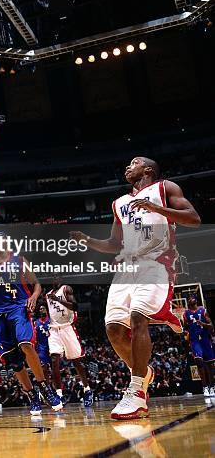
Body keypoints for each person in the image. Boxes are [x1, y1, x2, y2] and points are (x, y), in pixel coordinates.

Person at [71, 157, 201, 419]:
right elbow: (114, 243)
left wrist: (158, 209)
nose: (128, 166)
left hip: (156, 263)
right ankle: (144, 371)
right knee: (114, 329)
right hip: (126, 268)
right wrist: (87, 241)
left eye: (135, 162)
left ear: (148, 170)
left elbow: (194, 218)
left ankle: (137, 393)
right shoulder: (119, 203)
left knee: (138, 317)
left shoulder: (165, 188)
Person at [0, 236, 62, 415]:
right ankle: (32, 396)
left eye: (3, 241)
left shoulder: (20, 261)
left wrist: (34, 297)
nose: (0, 244)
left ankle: (44, 386)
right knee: (14, 363)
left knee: (26, 345)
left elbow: (36, 284)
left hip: (18, 309)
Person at [45, 280, 93, 407]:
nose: (54, 279)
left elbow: (75, 306)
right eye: (52, 276)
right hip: (54, 329)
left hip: (68, 327)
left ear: (60, 278)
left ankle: (87, 389)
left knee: (76, 361)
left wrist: (57, 299)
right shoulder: (48, 294)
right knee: (54, 360)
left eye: (56, 276)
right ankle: (58, 394)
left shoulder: (66, 289)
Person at [183, 296, 214, 396]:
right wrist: (185, 334)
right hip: (194, 340)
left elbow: (211, 326)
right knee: (199, 361)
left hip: (205, 339)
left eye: (192, 298)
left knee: (210, 365)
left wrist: (203, 324)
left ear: (196, 301)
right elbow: (185, 328)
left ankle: (212, 387)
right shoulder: (185, 313)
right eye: (189, 299)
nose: (190, 299)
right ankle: (204, 387)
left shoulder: (203, 310)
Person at [34, 305, 52, 379]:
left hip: (52, 345)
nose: (42, 310)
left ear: (47, 310)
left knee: (54, 366)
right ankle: (48, 387)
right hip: (41, 347)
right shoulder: (36, 322)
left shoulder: (52, 320)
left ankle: (58, 387)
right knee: (44, 368)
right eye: (40, 309)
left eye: (43, 308)